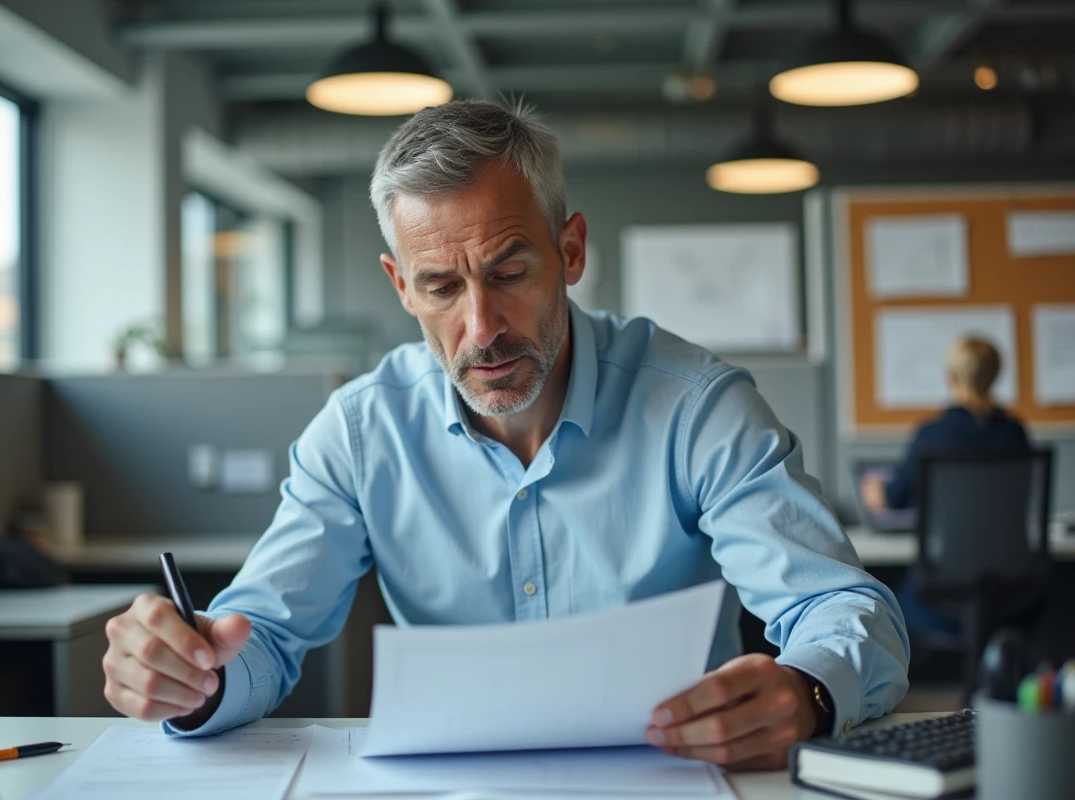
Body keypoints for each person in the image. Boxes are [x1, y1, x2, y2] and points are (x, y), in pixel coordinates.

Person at [101, 100, 908, 770]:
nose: (481, 328)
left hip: (676, 777)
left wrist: (809, 688)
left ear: (570, 251)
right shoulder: (360, 431)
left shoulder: (696, 408)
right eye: (442, 287)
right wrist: (196, 680)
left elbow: (838, 606)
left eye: (510, 272)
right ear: (400, 287)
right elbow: (263, 638)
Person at [862, 336, 1028, 636]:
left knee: (889, 597)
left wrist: (875, 493)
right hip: (1010, 593)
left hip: (939, 595)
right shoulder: (1014, 433)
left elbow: (895, 499)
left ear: (950, 377)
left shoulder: (933, 434)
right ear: (994, 375)